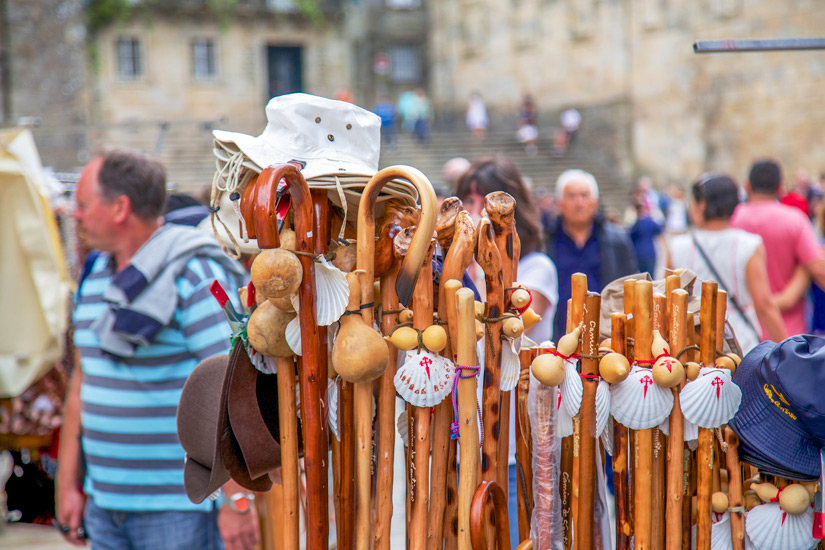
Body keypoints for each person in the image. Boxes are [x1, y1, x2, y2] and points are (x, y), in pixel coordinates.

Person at [56, 148, 256, 550]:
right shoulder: (95, 274)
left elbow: (233, 385)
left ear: (120, 208)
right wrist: (67, 484)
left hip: (178, 509)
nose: (74, 215)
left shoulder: (194, 274)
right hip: (104, 505)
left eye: (82, 205)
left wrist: (236, 497)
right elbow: (83, 383)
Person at [454, 155, 558, 548]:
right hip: (466, 430)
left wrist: (480, 269)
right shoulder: (456, 270)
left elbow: (506, 324)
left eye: (483, 201)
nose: (474, 210)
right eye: (468, 199)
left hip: (517, 433)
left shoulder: (537, 267)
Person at [667, 174, 786, 354]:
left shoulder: (678, 246)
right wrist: (786, 350)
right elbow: (764, 304)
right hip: (739, 340)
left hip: (691, 343)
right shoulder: (749, 244)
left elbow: (668, 298)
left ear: (702, 204)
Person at [730, 158, 825, 337]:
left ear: (748, 187)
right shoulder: (795, 220)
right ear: (780, 188)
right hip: (787, 334)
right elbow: (819, 270)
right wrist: (802, 271)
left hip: (739, 331)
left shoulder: (732, 220)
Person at [545, 169, 637, 341]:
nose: (578, 203)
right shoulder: (545, 240)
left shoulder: (617, 240)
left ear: (595, 202)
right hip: (556, 340)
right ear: (559, 203)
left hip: (606, 340)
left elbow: (631, 287)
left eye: (584, 195)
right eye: (571, 196)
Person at [629, 201, 663, 276]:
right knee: (651, 277)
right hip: (649, 253)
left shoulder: (635, 224)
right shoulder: (648, 221)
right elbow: (659, 229)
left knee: (642, 278)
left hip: (638, 253)